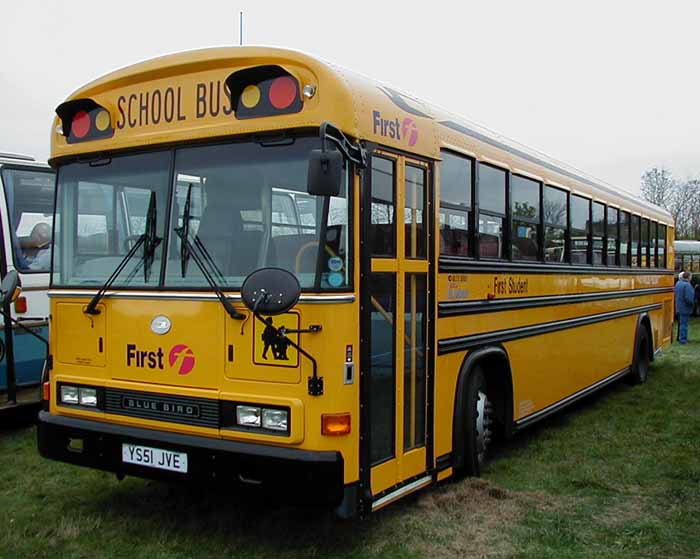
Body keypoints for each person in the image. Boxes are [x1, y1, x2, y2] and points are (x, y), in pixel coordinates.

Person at [674, 271, 694, 344]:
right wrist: (693, 303)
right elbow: (688, 297)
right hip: (685, 307)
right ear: (688, 277)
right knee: (684, 324)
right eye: (690, 276)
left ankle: (680, 338)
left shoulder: (678, 283)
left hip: (679, 306)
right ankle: (683, 339)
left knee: (681, 323)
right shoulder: (687, 285)